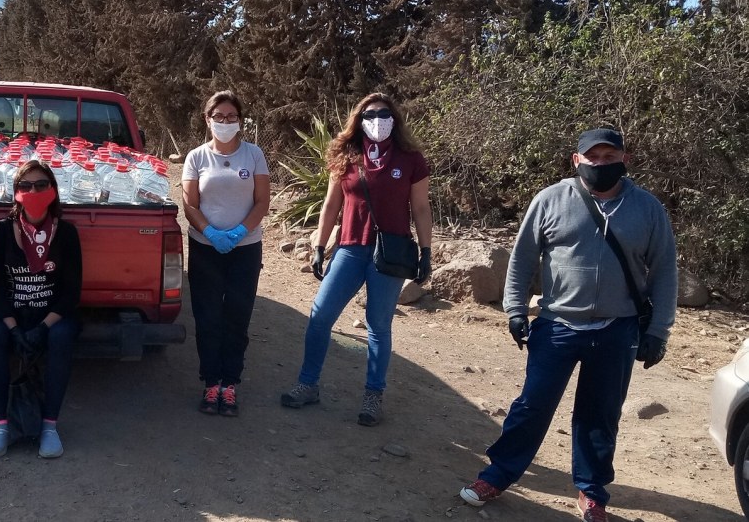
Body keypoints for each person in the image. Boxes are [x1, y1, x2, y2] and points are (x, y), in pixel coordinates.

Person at [458, 128, 677, 522]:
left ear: (624, 160)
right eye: (593, 157)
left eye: (610, 157)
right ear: (577, 161)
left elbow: (663, 273)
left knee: (601, 413)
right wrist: (515, 309)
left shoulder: (647, 209)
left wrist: (658, 331)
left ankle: (592, 493)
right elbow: (522, 259)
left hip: (618, 329)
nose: (601, 164)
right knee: (532, 406)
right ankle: (497, 475)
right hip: (557, 325)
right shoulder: (550, 200)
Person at [280, 92, 432, 426]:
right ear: (358, 120)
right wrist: (320, 246)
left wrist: (426, 251)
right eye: (369, 114)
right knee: (320, 316)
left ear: (395, 118)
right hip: (350, 247)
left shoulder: (410, 159)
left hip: (389, 254)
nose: (377, 120)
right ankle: (308, 384)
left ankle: (373, 396)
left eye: (383, 113)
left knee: (379, 326)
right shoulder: (346, 154)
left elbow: (421, 207)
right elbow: (331, 205)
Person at [0, 160, 82, 458]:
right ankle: (3, 426)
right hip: (13, 314)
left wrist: (42, 328)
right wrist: (14, 329)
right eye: (25, 186)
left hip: (53, 316)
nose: (33, 191)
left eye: (41, 185)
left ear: (53, 190)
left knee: (61, 338)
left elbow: (70, 292)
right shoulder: (0, 232)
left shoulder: (66, 233)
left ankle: (49, 426)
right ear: (15, 193)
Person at [182, 90, 270, 416]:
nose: (225, 122)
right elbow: (189, 203)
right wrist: (209, 231)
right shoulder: (196, 157)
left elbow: (262, 202)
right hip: (205, 247)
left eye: (231, 116)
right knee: (207, 317)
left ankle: (230, 384)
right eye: (218, 116)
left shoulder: (254, 155)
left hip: (245, 249)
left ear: (240, 120)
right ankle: (210, 383)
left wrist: (238, 232)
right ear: (208, 120)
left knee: (237, 315)